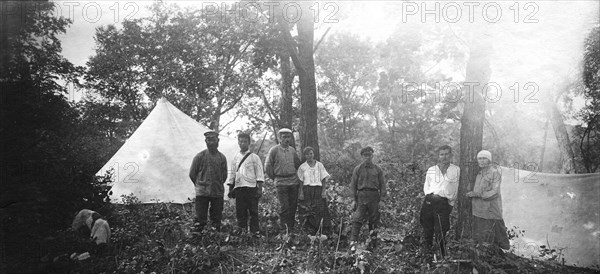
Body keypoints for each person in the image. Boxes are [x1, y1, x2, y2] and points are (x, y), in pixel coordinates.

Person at [419, 145, 460, 257]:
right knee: (427, 229)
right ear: (438, 156)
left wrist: (451, 204)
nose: (444, 157)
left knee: (441, 230)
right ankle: (428, 255)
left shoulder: (455, 170)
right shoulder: (431, 170)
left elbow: (456, 189)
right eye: (442, 154)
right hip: (429, 201)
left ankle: (442, 256)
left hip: (443, 203)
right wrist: (429, 199)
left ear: (450, 155)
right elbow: (426, 187)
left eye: (447, 154)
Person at [466, 150, 510, 250]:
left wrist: (477, 194)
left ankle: (501, 252)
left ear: (489, 160)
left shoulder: (495, 173)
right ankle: (485, 252)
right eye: (479, 158)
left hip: (491, 209)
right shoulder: (479, 173)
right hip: (478, 209)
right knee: (482, 234)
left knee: (497, 230)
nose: (481, 161)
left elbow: (495, 192)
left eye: (484, 158)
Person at [189, 130, 228, 231]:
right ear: (205, 141)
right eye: (208, 140)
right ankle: (197, 241)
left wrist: (216, 184)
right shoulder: (199, 156)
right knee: (200, 220)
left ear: (218, 140)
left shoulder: (222, 158)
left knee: (216, 219)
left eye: (213, 140)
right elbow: (192, 174)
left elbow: (224, 176)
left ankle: (215, 240)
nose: (211, 142)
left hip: (217, 192)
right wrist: (201, 185)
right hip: (202, 193)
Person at [264, 128, 302, 231]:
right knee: (284, 207)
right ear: (280, 138)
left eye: (288, 137)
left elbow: (298, 165)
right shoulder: (274, 150)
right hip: (281, 183)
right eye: (284, 137)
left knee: (293, 206)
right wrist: (275, 178)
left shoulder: (292, 150)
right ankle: (284, 230)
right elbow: (267, 167)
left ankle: (291, 228)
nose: (286, 139)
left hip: (293, 182)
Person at [227, 132, 265, 234]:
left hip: (251, 188)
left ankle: (254, 233)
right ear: (238, 143)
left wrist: (259, 188)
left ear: (249, 143)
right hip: (239, 189)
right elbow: (232, 174)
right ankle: (242, 232)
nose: (243, 143)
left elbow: (260, 173)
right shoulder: (235, 158)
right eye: (241, 141)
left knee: (253, 212)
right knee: (241, 212)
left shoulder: (254, 157)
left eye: (245, 142)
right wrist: (230, 188)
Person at [349, 146, 386, 246]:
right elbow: (353, 185)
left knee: (374, 219)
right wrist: (353, 200)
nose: (367, 157)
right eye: (365, 155)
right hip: (361, 196)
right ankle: (353, 242)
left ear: (372, 156)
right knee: (357, 218)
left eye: (369, 155)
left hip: (374, 195)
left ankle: (373, 242)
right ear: (362, 156)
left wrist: (382, 199)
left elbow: (382, 185)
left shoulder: (377, 169)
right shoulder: (358, 169)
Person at [297, 146, 332, 234]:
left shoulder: (319, 165)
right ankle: (311, 230)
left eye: (311, 153)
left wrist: (323, 191)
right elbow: (301, 181)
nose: (309, 156)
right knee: (309, 209)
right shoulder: (302, 167)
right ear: (305, 156)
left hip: (318, 190)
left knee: (320, 209)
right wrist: (301, 193)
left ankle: (323, 229)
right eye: (307, 154)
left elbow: (323, 179)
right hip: (307, 190)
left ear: (313, 154)